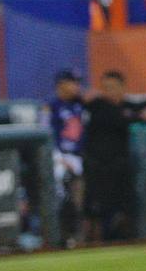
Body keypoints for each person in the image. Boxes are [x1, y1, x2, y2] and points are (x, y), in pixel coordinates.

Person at [83, 71, 137, 241]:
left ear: (123, 88)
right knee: (95, 212)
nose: (108, 92)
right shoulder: (98, 106)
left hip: (121, 168)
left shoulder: (129, 106)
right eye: (105, 88)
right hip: (97, 167)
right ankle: (91, 246)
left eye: (112, 88)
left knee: (126, 211)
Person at [46, 69, 87, 245]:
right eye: (73, 82)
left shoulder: (80, 104)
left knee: (79, 199)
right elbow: (45, 135)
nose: (77, 86)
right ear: (61, 84)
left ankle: (77, 236)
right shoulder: (51, 106)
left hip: (78, 157)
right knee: (61, 195)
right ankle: (59, 237)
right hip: (59, 158)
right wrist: (58, 157)